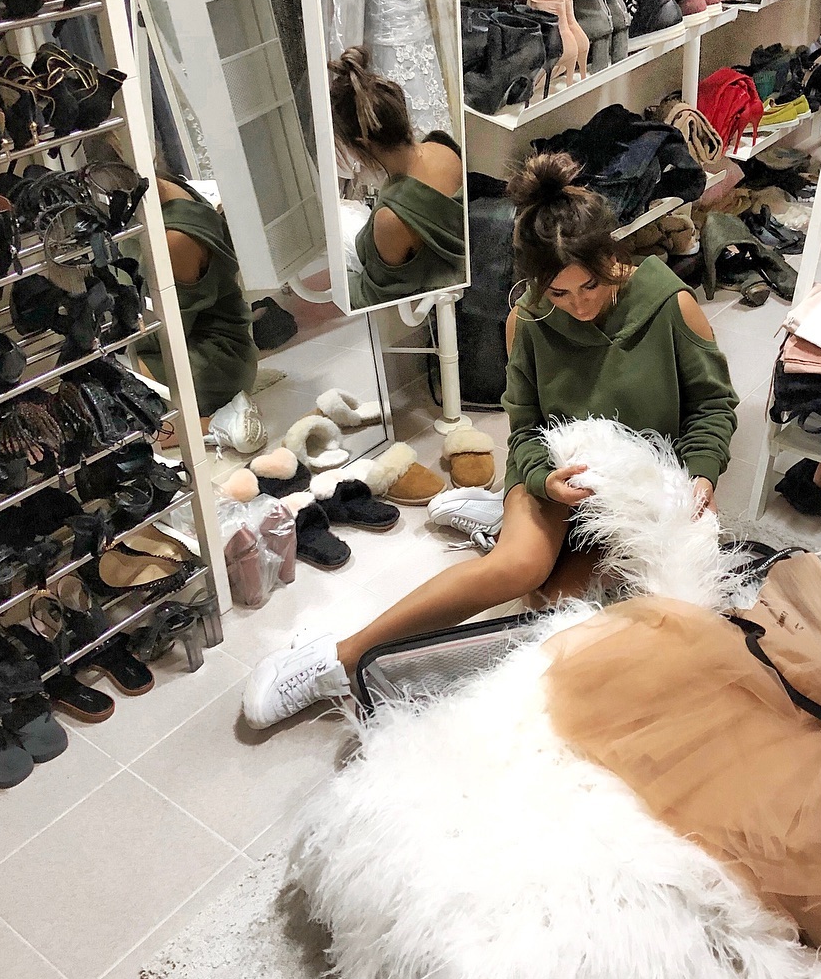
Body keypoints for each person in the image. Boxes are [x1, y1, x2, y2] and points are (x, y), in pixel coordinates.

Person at [242, 151, 740, 729]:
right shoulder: (526, 321)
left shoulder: (670, 303)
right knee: (520, 567)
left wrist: (701, 473)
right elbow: (525, 428)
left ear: (612, 256)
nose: (579, 304)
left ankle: (495, 521)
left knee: (555, 608)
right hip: (559, 473)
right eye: (560, 294)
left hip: (640, 485)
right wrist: (542, 481)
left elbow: (713, 406)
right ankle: (337, 659)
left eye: (590, 285)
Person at [136, 169, 262, 452]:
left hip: (211, 360)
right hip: (215, 344)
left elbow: (165, 335)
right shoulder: (168, 189)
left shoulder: (175, 238)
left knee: (107, 404)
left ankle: (216, 423)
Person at [332, 46, 466, 308]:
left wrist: (335, 282)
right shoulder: (443, 146)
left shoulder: (392, 218)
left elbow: (375, 295)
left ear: (362, 143)